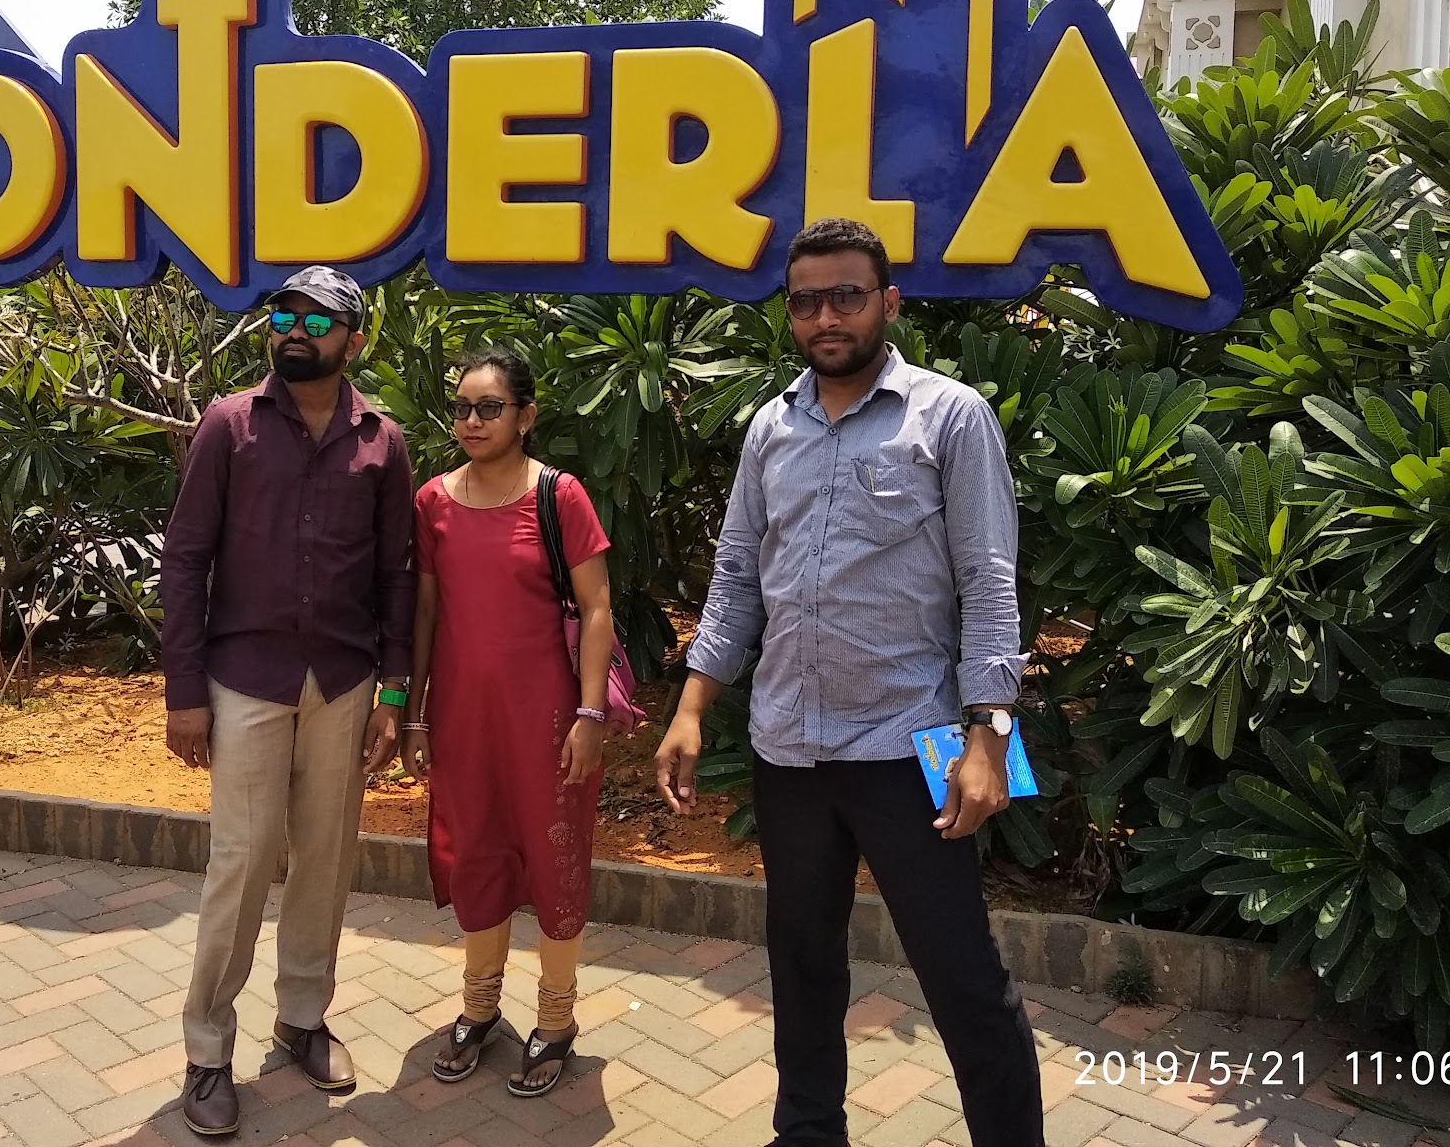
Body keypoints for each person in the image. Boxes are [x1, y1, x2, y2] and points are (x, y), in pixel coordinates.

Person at [655, 218, 1044, 1147]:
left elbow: (989, 580)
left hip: (911, 743)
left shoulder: (949, 416)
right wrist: (692, 705)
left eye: (846, 296)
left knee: (962, 975)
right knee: (801, 964)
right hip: (789, 746)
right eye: (806, 301)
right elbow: (737, 574)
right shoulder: (771, 427)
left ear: (889, 303)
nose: (826, 317)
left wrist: (990, 736)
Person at [161, 266, 415, 1138]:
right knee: (240, 861)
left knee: (326, 858)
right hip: (246, 678)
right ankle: (206, 1050)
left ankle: (302, 1017)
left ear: (354, 339)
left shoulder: (382, 440)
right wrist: (184, 692)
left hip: (344, 681)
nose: (294, 331)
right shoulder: (229, 424)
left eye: (316, 320)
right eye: (282, 316)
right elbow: (185, 558)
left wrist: (393, 691)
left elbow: (397, 574)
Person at [400, 346, 615, 1098]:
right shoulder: (432, 501)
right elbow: (426, 613)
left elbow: (596, 609)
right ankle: (479, 1006)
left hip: (549, 719)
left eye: (489, 408)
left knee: (555, 858)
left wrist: (590, 712)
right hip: (462, 718)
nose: (472, 421)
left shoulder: (560, 496)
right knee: (478, 854)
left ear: (526, 416)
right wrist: (415, 715)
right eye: (462, 408)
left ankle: (556, 1018)